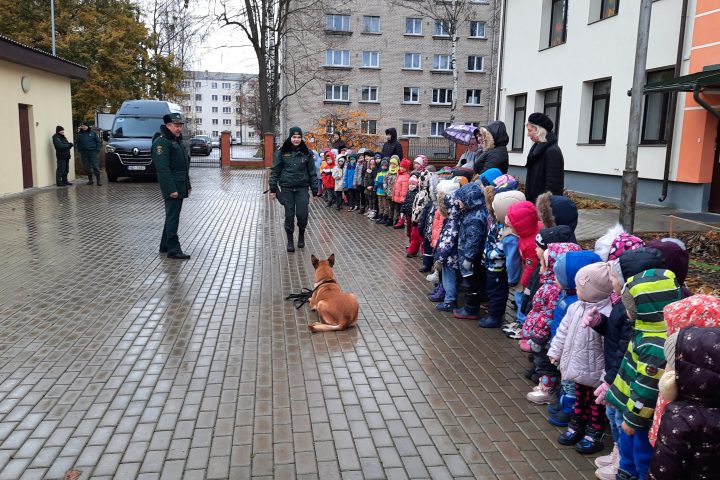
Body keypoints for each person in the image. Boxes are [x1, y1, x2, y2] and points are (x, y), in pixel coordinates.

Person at [269, 126, 317, 252]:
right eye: (294, 137)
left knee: (302, 215)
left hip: (302, 189)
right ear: (290, 137)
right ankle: (290, 240)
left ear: (301, 138)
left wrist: (315, 189)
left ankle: (301, 234)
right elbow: (275, 171)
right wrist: (273, 189)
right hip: (287, 189)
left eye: (299, 137)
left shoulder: (307, 153)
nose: (296, 139)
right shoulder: (281, 152)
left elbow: (312, 172)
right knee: (289, 216)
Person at [153, 113, 192, 260]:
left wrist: (187, 184)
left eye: (180, 126)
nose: (179, 129)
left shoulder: (176, 140)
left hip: (180, 185)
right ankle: (173, 250)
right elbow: (163, 169)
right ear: (168, 126)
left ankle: (165, 246)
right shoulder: (162, 143)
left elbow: (183, 166)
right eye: (176, 126)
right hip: (173, 187)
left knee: (172, 216)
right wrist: (171, 189)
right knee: (173, 218)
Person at [524, 112, 564, 203]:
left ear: (539, 131)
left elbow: (553, 188)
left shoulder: (552, 152)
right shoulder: (537, 149)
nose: (528, 134)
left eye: (530, 130)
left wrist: (543, 209)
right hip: (535, 204)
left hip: (544, 209)